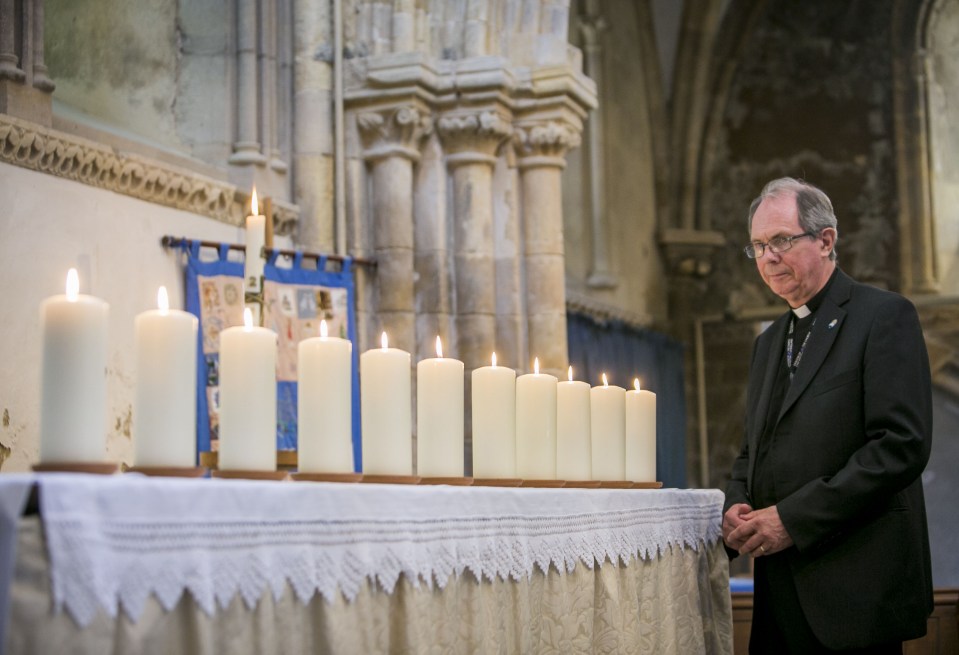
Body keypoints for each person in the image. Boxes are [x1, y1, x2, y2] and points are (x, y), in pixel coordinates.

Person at [723, 177, 933, 653]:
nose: (768, 257)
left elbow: (900, 446)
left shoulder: (883, 316)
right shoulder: (767, 343)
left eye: (780, 240)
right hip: (780, 595)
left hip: (854, 590)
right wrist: (735, 504)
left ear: (826, 240)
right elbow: (753, 450)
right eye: (757, 246)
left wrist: (791, 519)